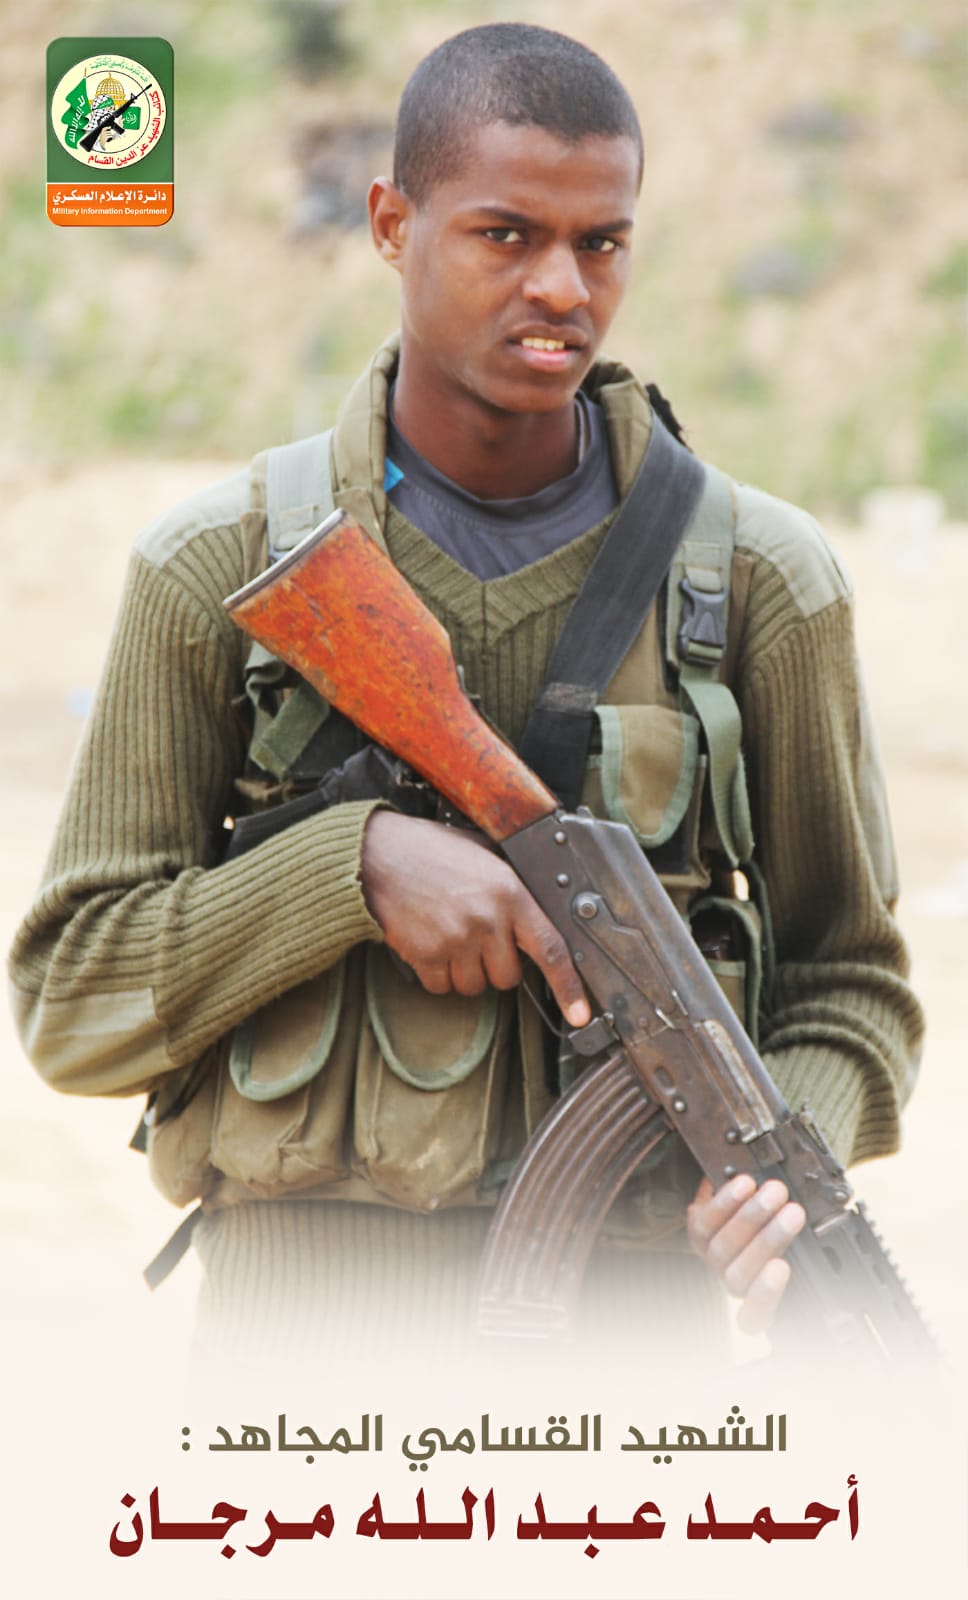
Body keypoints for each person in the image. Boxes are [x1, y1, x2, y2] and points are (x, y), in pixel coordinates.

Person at [8, 24, 922, 1366]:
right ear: (392, 223)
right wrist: (354, 870)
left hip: (628, 1392)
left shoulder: (762, 583)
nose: (562, 286)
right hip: (298, 1382)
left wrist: (777, 1158)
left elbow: (853, 984)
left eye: (601, 243)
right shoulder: (220, 566)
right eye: (506, 235)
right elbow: (73, 1002)